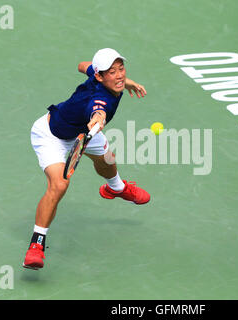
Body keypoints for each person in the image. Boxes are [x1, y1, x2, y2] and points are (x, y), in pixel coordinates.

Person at [23, 48, 150, 270]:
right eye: (112, 72)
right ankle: (36, 245)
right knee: (60, 184)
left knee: (107, 159)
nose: (119, 75)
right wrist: (97, 119)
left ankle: (116, 188)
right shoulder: (100, 100)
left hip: (81, 133)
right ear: (100, 77)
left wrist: (126, 82)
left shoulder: (98, 74)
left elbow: (82, 65)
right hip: (50, 135)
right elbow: (97, 110)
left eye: (121, 69)